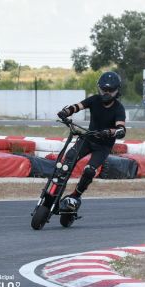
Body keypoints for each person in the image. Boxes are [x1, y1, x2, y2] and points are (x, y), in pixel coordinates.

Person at [55, 71, 126, 211]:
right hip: (87, 139)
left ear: (117, 91)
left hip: (103, 146)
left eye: (110, 90)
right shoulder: (94, 100)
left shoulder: (119, 108)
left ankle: (75, 196)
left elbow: (121, 129)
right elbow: (78, 106)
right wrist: (66, 112)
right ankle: (55, 191)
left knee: (89, 171)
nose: (106, 93)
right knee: (67, 160)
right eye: (103, 89)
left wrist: (109, 132)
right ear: (99, 88)